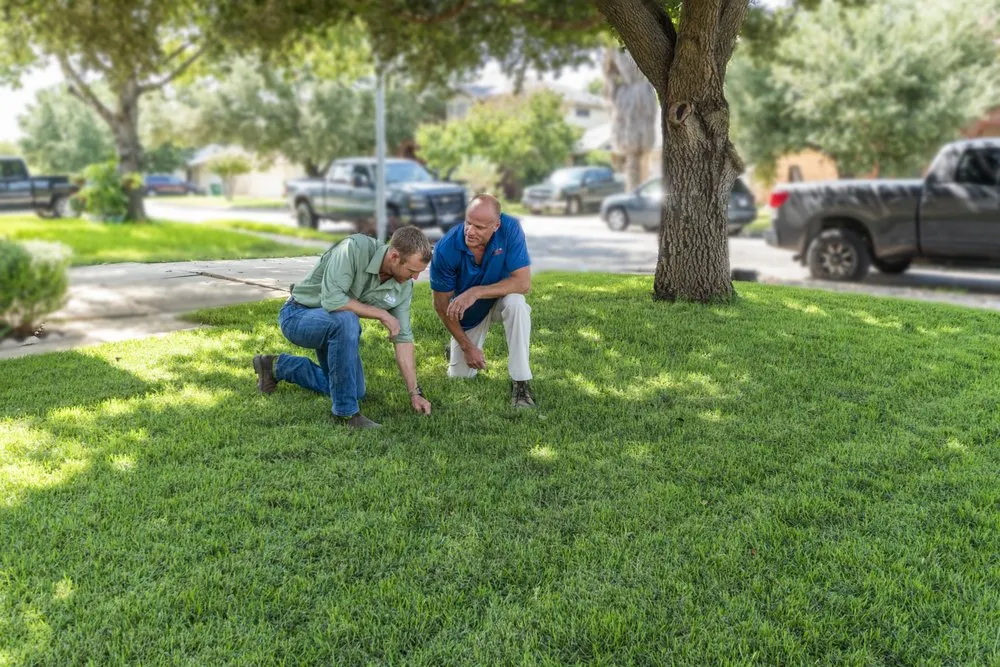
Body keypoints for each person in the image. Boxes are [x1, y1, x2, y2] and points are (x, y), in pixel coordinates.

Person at [252, 227, 433, 429]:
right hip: (298, 315)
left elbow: (404, 339)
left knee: (355, 391)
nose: (415, 278)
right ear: (394, 256)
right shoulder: (353, 248)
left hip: (334, 328)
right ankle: (346, 414)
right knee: (347, 319)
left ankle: (276, 366)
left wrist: (415, 393)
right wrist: (382, 313)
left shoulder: (403, 286)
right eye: (412, 271)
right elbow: (333, 301)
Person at [430, 193, 536, 408]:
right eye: (468, 223)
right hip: (469, 314)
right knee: (460, 377)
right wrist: (466, 346)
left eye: (479, 227)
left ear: (496, 226)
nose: (470, 231)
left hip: (499, 300)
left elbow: (523, 284)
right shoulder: (445, 248)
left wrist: (475, 292)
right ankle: (457, 347)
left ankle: (521, 382)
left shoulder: (510, 228)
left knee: (517, 304)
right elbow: (441, 306)